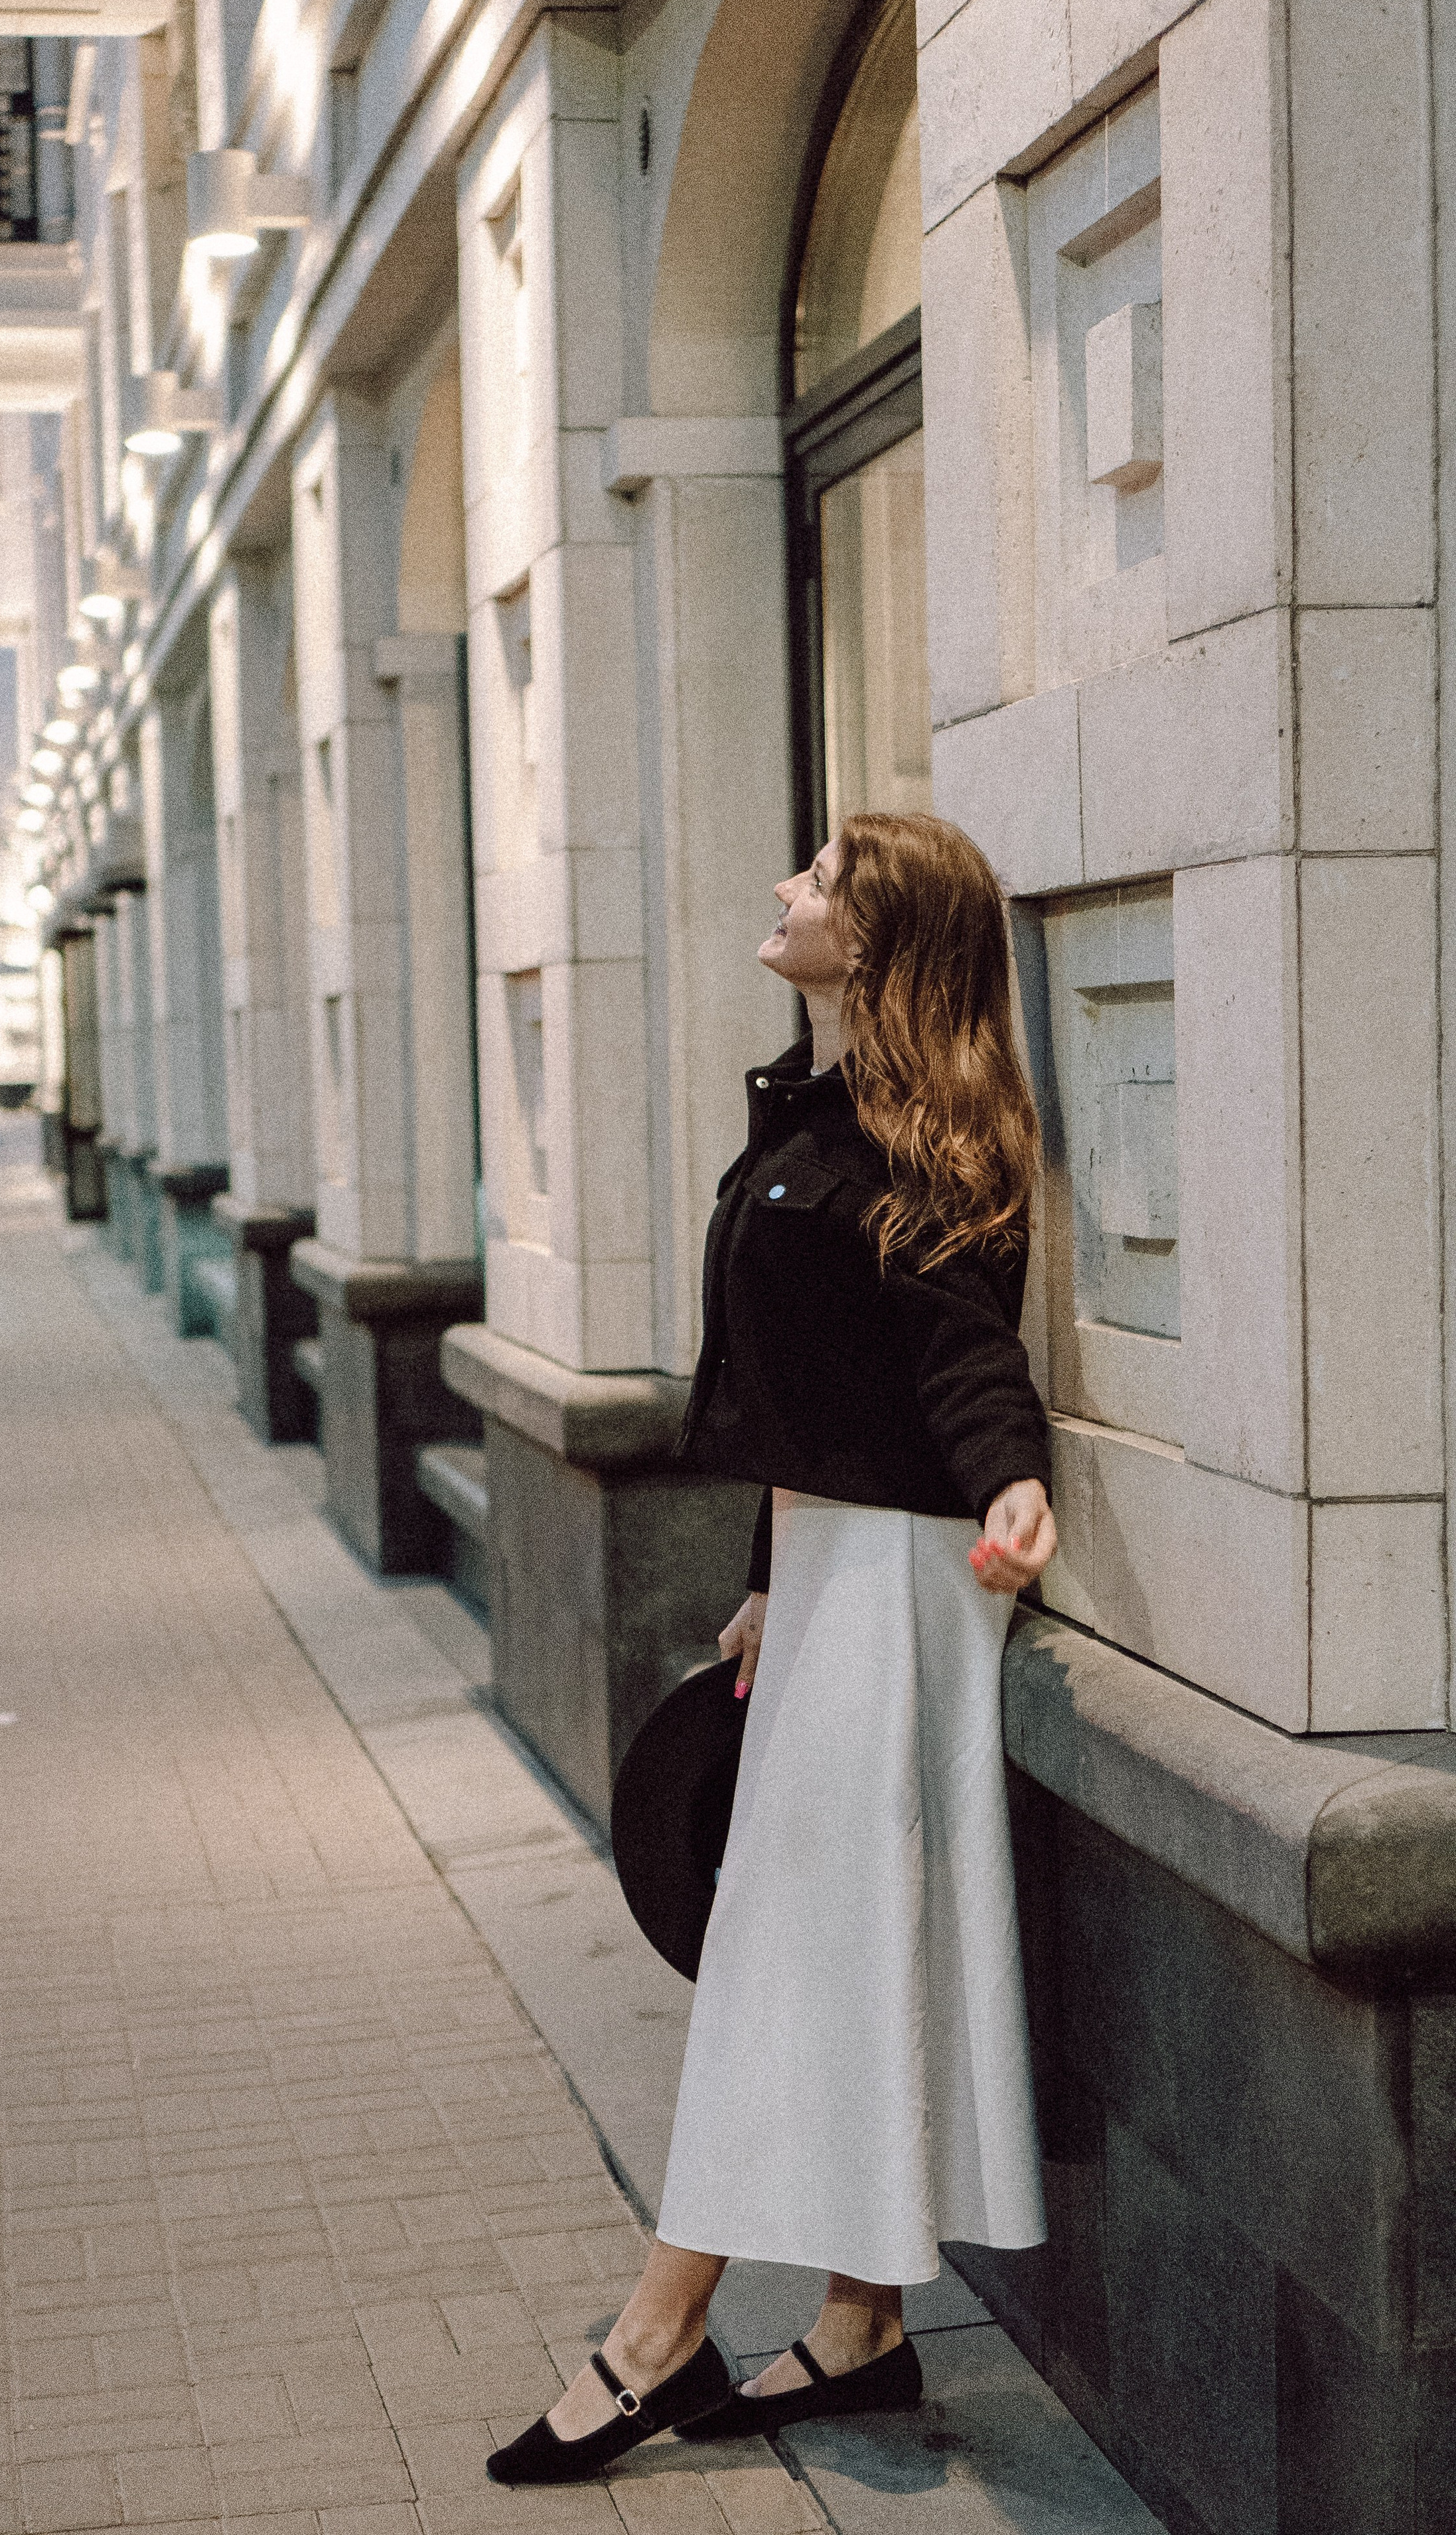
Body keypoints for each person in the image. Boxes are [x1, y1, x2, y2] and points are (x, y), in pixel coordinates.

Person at [487, 812, 1059, 2487]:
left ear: (871, 939)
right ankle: (859, 2326)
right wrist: (767, 1572)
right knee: (840, 1953)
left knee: (781, 1963)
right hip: (829, 1572)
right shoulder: (820, 1111)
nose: (783, 888)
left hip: (900, 1581)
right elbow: (811, 1386)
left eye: (815, 878)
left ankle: (654, 2337)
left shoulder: (918, 1136)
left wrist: (1011, 1480)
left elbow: (960, 1351)